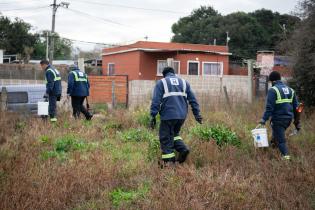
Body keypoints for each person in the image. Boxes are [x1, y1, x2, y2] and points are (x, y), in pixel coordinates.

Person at [150, 66, 202, 166]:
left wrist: (153, 115)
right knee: (174, 135)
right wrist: (197, 115)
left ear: (164, 75)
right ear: (173, 73)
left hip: (168, 116)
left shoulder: (162, 82)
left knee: (165, 138)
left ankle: (169, 164)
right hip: (181, 116)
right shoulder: (184, 82)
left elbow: (156, 101)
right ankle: (183, 149)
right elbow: (193, 100)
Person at [259, 71, 300, 160]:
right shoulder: (291, 90)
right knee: (275, 137)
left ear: (272, 81)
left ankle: (286, 158)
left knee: (281, 141)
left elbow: (269, 108)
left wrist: (263, 120)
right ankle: (273, 153)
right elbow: (297, 109)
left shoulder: (273, 90)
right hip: (288, 119)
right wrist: (297, 123)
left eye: (270, 82)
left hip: (278, 120)